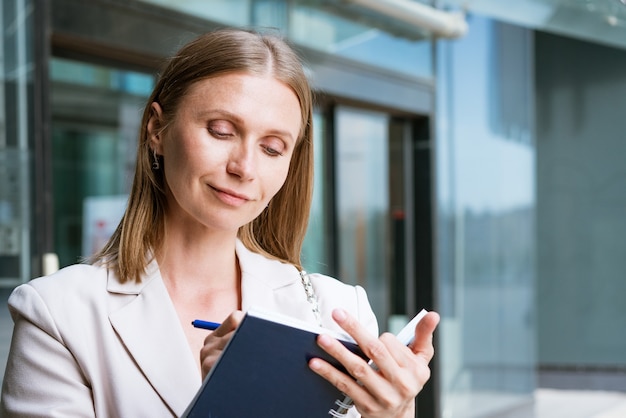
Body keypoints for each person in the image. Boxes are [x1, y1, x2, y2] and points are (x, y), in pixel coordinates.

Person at [0, 28, 440, 418]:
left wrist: (393, 415)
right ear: (157, 129)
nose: (244, 167)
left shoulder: (337, 311)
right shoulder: (58, 314)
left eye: (272, 148)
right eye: (221, 130)